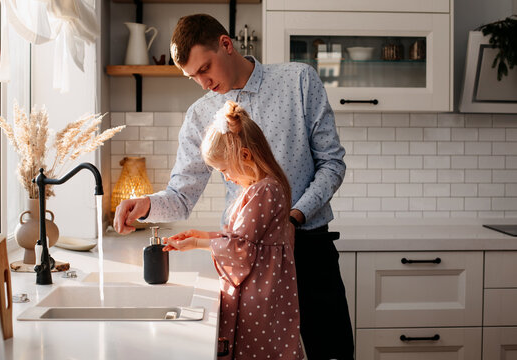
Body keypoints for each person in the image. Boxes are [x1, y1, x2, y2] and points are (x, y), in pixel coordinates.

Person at [113, 14, 353, 359]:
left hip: (310, 249)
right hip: (248, 263)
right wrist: (145, 204)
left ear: (226, 44)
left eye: (205, 68)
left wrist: (293, 218)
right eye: (192, 76)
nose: (202, 82)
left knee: (333, 352)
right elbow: (181, 197)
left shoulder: (298, 81)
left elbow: (332, 164)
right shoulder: (200, 115)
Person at [163, 100, 303, 360]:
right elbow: (243, 239)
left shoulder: (264, 190)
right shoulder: (261, 187)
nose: (226, 177)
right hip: (263, 288)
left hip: (260, 293)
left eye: (224, 170)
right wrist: (203, 236)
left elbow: (241, 249)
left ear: (246, 156)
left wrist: (196, 244)